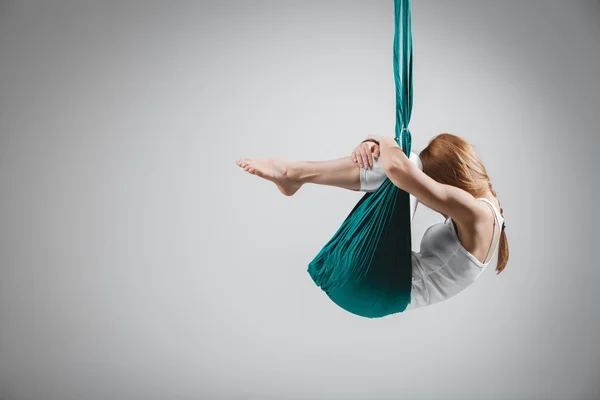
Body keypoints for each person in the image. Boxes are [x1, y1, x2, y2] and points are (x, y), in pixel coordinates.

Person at [235, 133, 509, 310]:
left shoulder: (478, 215)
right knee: (401, 168)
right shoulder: (487, 215)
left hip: (375, 284)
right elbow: (396, 171)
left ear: (449, 179)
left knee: (407, 162)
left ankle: (295, 173)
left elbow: (398, 168)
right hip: (375, 292)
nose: (425, 201)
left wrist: (381, 139)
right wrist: (378, 151)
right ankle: (295, 175)